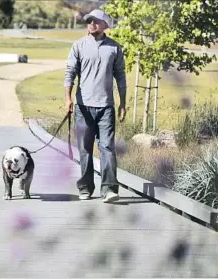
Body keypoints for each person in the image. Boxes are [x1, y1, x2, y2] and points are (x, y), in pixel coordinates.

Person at [64, 9, 127, 203]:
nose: (91, 23)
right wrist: (67, 98)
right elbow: (70, 73)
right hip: (83, 107)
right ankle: (85, 187)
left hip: (106, 107)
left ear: (106, 25)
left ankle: (109, 189)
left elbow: (121, 77)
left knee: (107, 147)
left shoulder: (115, 48)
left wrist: (123, 103)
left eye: (96, 21)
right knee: (85, 149)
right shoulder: (79, 46)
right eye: (89, 20)